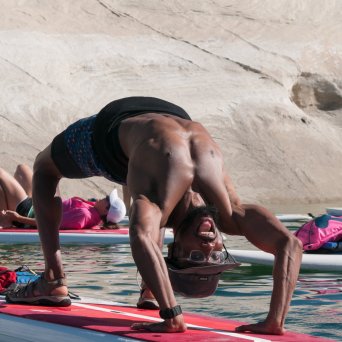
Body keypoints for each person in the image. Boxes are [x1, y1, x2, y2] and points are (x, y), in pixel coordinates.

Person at [6, 96, 303, 335]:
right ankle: (53, 279)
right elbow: (289, 244)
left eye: (198, 257)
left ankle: (149, 290)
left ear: (176, 248)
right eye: (217, 256)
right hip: (147, 122)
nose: (210, 246)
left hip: (116, 139)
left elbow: (141, 234)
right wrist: (274, 321)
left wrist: (173, 316)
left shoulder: (163, 199)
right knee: (43, 169)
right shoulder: (227, 213)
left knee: (146, 208)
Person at [0, 164, 126, 229]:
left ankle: (6, 219)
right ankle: (6, 207)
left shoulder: (84, 215)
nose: (105, 197)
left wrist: (19, 218)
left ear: (106, 209)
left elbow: (51, 224)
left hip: (27, 213)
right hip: (37, 205)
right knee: (23, 169)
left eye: (107, 199)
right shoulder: (93, 210)